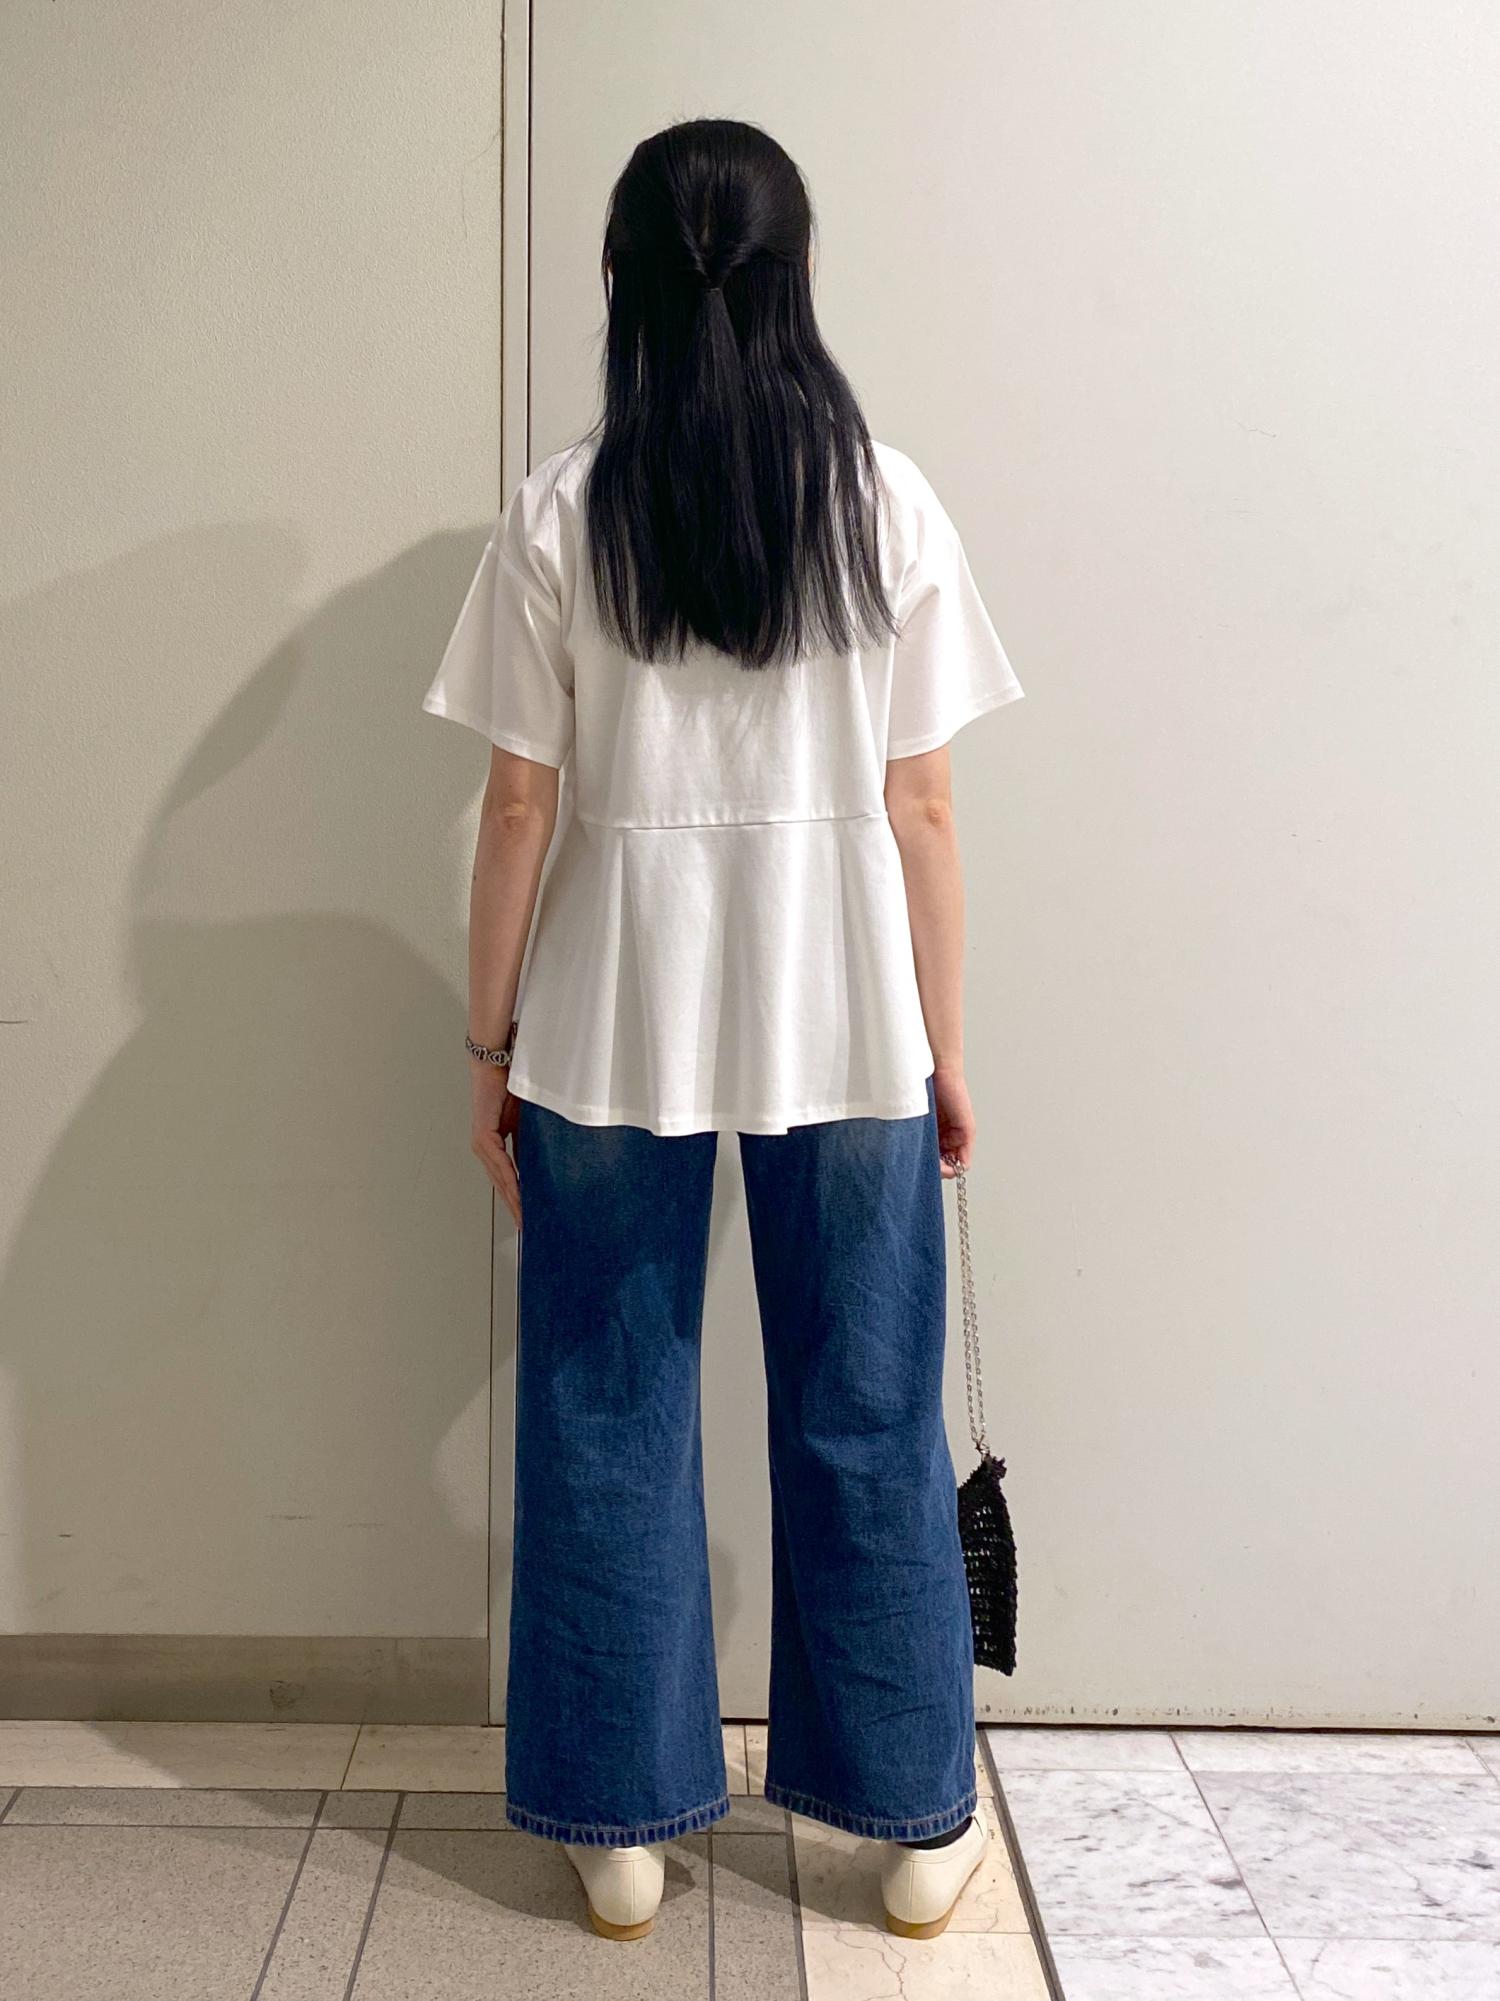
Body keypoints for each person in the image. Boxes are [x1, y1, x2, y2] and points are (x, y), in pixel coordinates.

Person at [422, 116, 1024, 1943]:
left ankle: (619, 1828)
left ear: (618, 282)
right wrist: (944, 1042)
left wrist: (488, 1047)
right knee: (867, 1404)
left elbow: (517, 809)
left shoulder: (562, 510)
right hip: (847, 1015)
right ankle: (914, 1822)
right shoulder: (887, 504)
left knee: (607, 1401)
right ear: (799, 278)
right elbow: (923, 809)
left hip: (613, 1020)